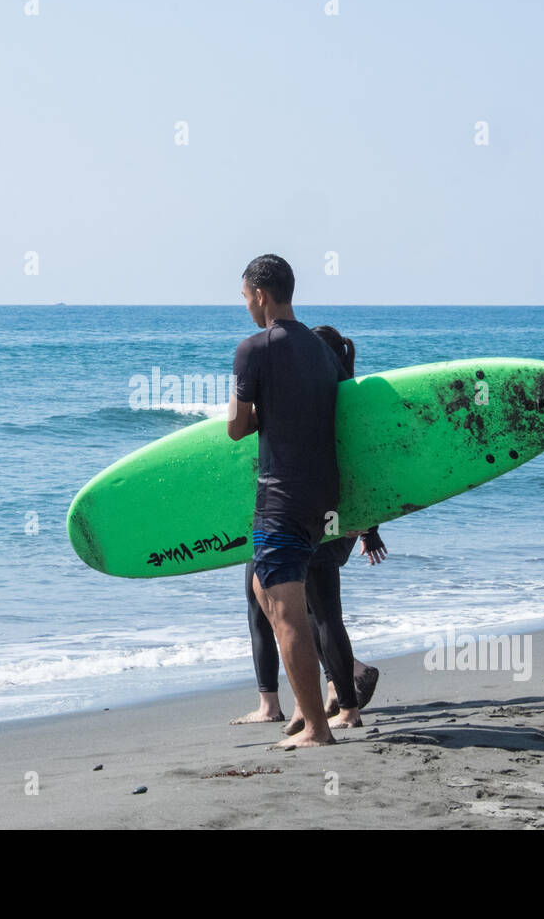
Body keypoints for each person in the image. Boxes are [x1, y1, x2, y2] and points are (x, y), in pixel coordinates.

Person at [230, 325, 386, 731]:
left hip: (307, 515)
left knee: (307, 609)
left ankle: (332, 702)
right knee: (313, 609)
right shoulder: (340, 396)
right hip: (330, 513)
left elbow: (353, 461)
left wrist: (366, 527)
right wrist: (367, 526)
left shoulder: (320, 398)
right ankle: (333, 694)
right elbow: (371, 467)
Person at [227, 254, 345, 748]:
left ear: (260, 294)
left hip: (281, 495)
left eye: (245, 298)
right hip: (326, 496)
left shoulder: (253, 348)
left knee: (284, 607)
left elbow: (236, 427)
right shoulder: (324, 350)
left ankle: (316, 729)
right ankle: (305, 709)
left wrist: (260, 415)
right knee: (265, 588)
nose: (246, 307)